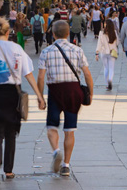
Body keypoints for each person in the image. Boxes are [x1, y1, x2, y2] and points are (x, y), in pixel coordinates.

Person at [0, 19, 45, 182]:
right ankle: (8, 171)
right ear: (8, 33)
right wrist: (39, 96)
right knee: (11, 134)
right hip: (13, 93)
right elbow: (28, 73)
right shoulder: (17, 48)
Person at [37, 20, 93, 177]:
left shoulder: (46, 52)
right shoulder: (77, 50)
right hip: (73, 91)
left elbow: (41, 76)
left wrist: (40, 96)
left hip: (55, 91)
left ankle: (56, 151)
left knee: (51, 127)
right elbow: (87, 73)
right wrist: (90, 93)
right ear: (68, 33)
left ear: (53, 34)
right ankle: (66, 165)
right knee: (70, 130)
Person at [96, 19, 119, 90]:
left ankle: (107, 84)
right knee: (111, 68)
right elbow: (117, 42)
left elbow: (99, 44)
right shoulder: (114, 32)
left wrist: (97, 53)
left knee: (106, 68)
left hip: (103, 52)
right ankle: (110, 80)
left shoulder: (101, 33)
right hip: (112, 52)